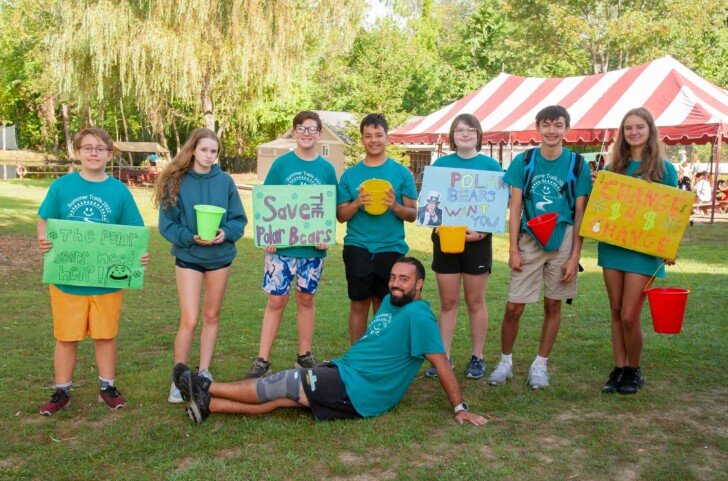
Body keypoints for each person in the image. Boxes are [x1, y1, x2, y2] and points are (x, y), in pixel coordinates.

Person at [173, 257, 487, 426]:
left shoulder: (420, 316)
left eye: (403, 280)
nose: (395, 284)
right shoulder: (394, 302)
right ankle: (209, 405)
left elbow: (441, 362)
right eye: (392, 277)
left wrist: (459, 407)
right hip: (346, 373)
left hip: (360, 389)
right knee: (287, 398)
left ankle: (204, 386)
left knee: (283, 383)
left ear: (419, 285)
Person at [37, 127, 150, 415]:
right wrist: (43, 239)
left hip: (106, 281)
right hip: (67, 280)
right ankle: (62, 391)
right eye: (87, 147)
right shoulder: (62, 187)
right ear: (78, 153)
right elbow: (45, 221)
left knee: (106, 335)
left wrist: (139, 255)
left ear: (109, 154)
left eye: (100, 148)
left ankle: (107, 387)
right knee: (66, 337)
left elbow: (133, 232)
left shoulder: (118, 190)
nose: (93, 153)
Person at [486, 105, 592, 390]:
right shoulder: (525, 160)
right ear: (538, 128)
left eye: (558, 125)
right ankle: (505, 362)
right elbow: (516, 206)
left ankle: (540, 365)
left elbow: (581, 212)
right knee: (513, 306)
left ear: (567, 129)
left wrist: (575, 256)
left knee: (553, 303)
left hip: (564, 236)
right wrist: (513, 249)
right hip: (530, 237)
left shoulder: (578, 164)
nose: (552, 131)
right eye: (546, 125)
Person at [153, 128, 247, 403]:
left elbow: (239, 219)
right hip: (189, 256)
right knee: (190, 318)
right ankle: (179, 378)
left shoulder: (226, 181)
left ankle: (204, 372)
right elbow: (166, 224)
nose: (209, 155)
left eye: (214, 151)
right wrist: (188, 237)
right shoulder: (175, 180)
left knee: (211, 315)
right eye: (204, 150)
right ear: (193, 149)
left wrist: (225, 233)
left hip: (220, 258)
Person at [245, 111, 338, 379]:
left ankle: (304, 355)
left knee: (306, 299)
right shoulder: (281, 165)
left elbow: (329, 206)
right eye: (301, 128)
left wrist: (324, 234)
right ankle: (263, 359)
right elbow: (268, 203)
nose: (306, 133)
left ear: (320, 134)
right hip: (282, 250)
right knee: (276, 300)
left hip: (312, 250)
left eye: (312, 129)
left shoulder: (326, 169)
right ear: (294, 133)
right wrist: (268, 236)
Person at [595, 107, 678, 395]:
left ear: (650, 130)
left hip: (644, 252)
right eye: (628, 127)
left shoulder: (666, 171)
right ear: (623, 133)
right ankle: (619, 369)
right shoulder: (611, 170)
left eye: (639, 127)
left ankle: (634, 369)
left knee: (631, 315)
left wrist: (670, 246)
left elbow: (673, 214)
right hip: (613, 247)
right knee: (616, 311)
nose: (634, 132)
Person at [422, 113, 503, 381]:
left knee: (475, 301)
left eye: (470, 130)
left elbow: (496, 208)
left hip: (477, 243)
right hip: (445, 240)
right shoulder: (441, 165)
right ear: (452, 135)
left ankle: (477, 357)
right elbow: (431, 202)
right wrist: (434, 222)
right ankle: (442, 358)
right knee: (448, 302)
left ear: (478, 133)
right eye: (459, 130)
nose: (465, 134)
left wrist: (480, 233)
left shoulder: (491, 166)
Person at [337, 114, 418, 344]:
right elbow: (341, 217)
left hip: (391, 247)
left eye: (378, 135)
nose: (374, 140)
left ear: (386, 137)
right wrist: (357, 203)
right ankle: (358, 358)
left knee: (385, 306)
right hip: (358, 246)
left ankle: (382, 356)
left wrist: (394, 206)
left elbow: (412, 214)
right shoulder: (350, 175)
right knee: (359, 303)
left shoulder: (401, 173)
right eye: (368, 136)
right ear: (362, 139)